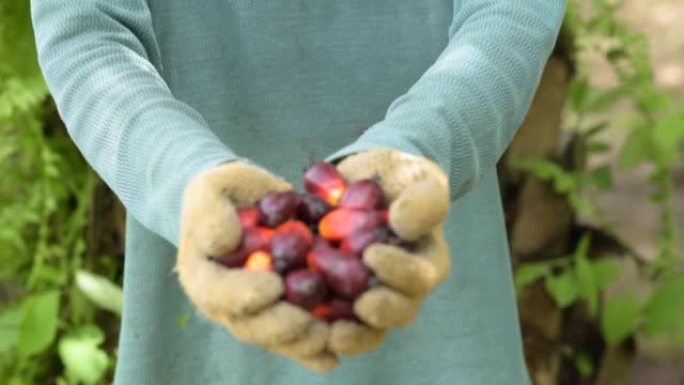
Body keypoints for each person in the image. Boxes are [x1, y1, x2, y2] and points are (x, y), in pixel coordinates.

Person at [31, 1, 566, 384]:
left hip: (427, 276)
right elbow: (86, 31)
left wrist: (418, 150)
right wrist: (182, 178)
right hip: (211, 300)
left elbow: (512, 14)